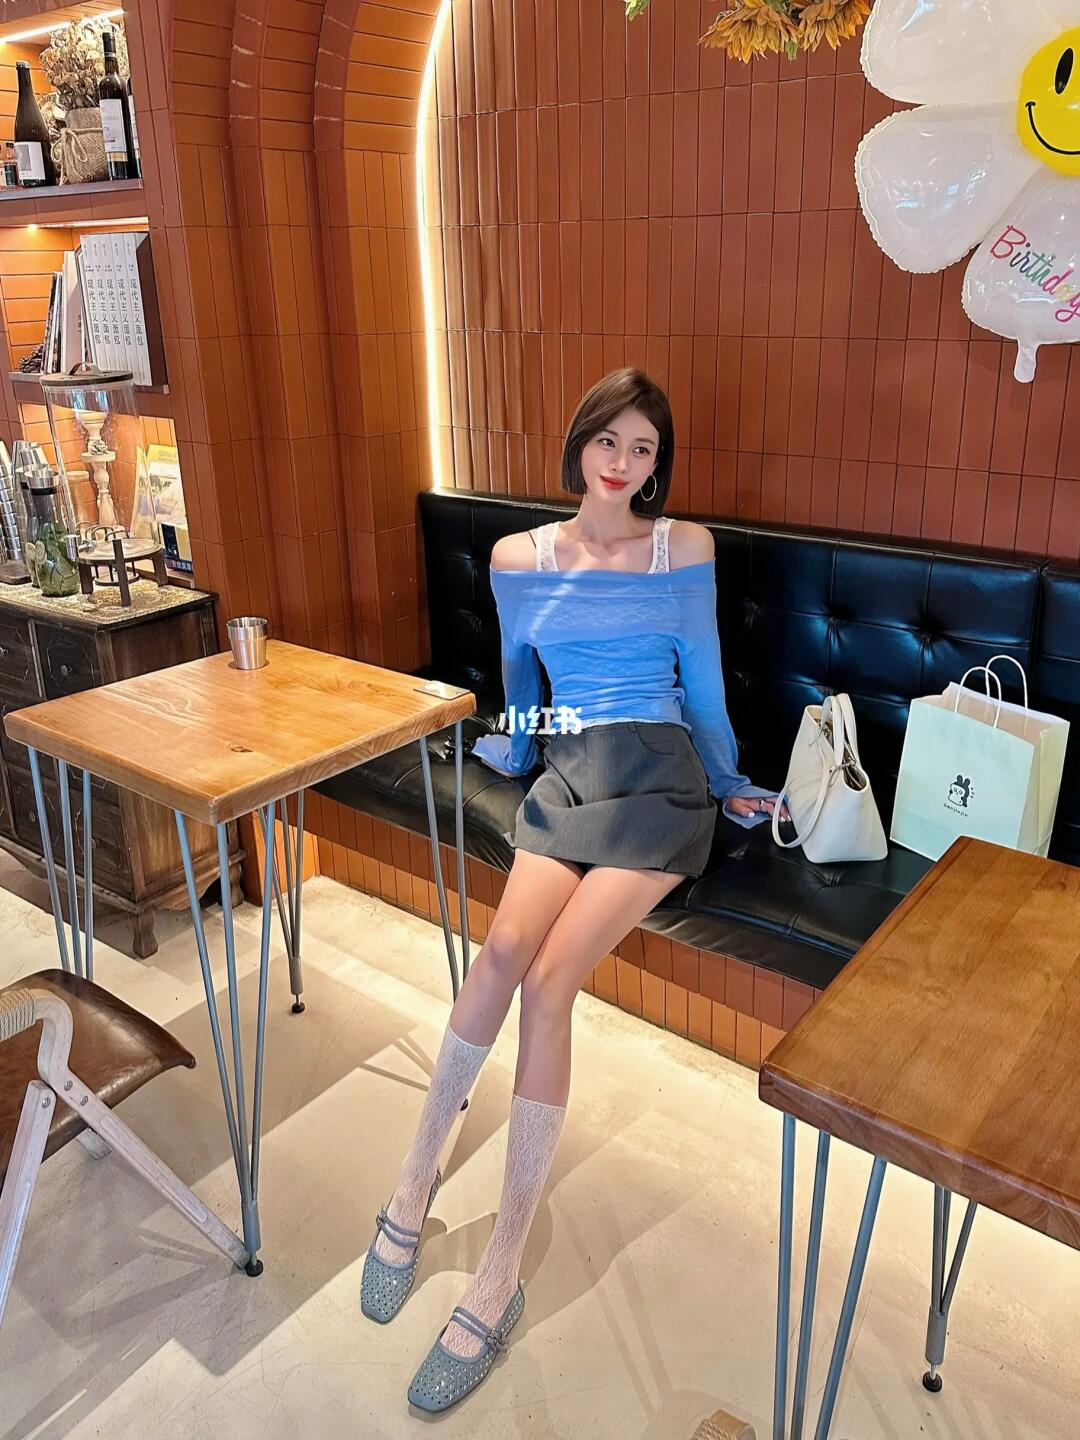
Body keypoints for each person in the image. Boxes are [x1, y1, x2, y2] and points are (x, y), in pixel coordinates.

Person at [360, 366, 787, 1413]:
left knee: (551, 981)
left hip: (661, 778)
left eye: (644, 450)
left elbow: (702, 684)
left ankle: (501, 1268)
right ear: (579, 441)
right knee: (500, 954)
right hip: (570, 769)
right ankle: (412, 1185)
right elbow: (525, 683)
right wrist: (516, 747)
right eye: (609, 441)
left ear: (656, 464)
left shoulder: (682, 548)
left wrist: (728, 780)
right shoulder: (519, 558)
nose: (623, 464)